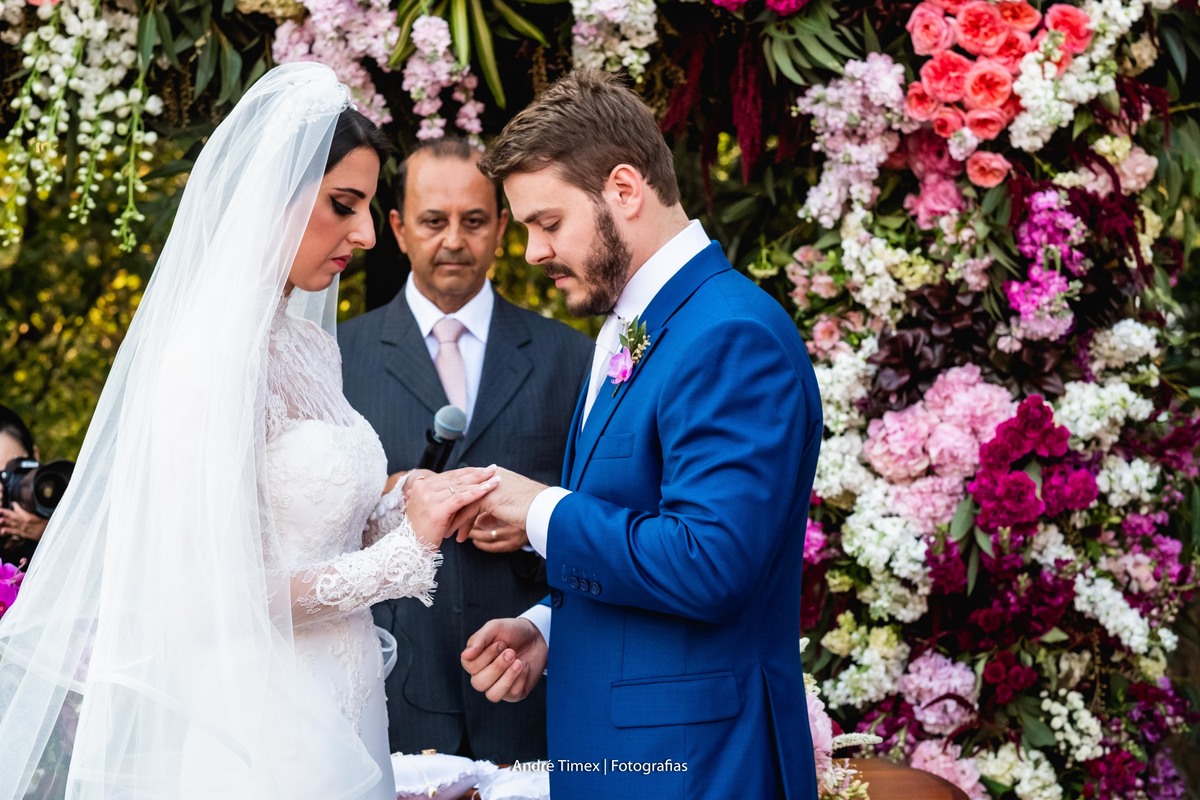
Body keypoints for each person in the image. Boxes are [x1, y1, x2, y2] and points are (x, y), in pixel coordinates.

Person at [0, 63, 497, 800]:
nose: (364, 234)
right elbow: (212, 590)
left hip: (346, 693)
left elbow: (313, 523)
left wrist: (408, 503)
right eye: (343, 205)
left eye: (366, 207)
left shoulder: (305, 344)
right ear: (273, 198)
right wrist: (407, 552)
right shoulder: (207, 360)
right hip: (263, 719)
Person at [459, 70, 822, 799]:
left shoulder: (730, 334)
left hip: (699, 766)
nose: (531, 251)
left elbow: (709, 561)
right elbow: (643, 521)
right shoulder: (639, 324)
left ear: (624, 190)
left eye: (547, 222)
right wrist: (552, 630)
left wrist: (540, 512)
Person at [340, 138, 591, 762]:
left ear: (502, 227)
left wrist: (536, 527)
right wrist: (394, 496)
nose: (454, 239)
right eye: (433, 221)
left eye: (474, 220)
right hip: (390, 688)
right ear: (397, 228)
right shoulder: (337, 359)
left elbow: (605, 506)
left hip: (530, 685)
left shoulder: (572, 357)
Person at [0, 405, 49, 565]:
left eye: (16, 470)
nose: (7, 486)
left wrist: (47, 532)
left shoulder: (70, 506)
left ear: (34, 455)